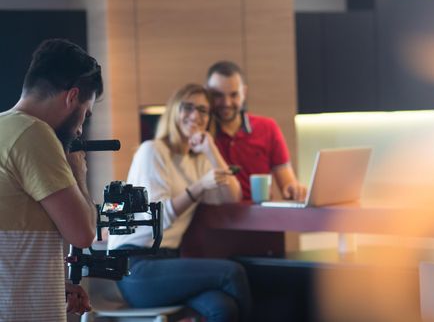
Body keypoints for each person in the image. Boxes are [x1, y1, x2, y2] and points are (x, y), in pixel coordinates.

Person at [108, 84, 251, 322]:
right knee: (232, 272)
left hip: (168, 263)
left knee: (223, 307)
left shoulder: (197, 162)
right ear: (175, 110)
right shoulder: (152, 151)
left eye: (203, 111)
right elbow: (159, 218)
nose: (195, 115)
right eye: (188, 107)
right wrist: (199, 187)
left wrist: (211, 150)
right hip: (135, 267)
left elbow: (231, 196)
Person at [0, 38, 103, 321]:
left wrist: (57, 285)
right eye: (86, 113)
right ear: (72, 97)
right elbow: (83, 233)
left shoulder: (4, 130)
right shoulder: (34, 134)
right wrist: (78, 171)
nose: (81, 128)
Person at [206, 60, 307, 201]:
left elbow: (287, 182)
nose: (226, 103)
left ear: (244, 93)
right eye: (218, 95)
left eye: (234, 95)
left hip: (260, 218)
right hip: (214, 219)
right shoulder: (201, 136)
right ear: (207, 94)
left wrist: (294, 189)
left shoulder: (267, 127)